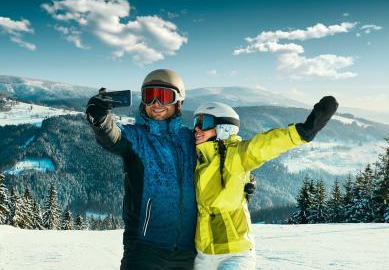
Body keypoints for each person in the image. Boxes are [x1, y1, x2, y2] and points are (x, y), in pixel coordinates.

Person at [192, 96, 338, 269]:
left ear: (224, 127)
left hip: (234, 253)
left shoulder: (237, 155)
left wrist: (301, 132)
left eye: (204, 122)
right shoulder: (195, 158)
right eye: (196, 121)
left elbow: (264, 145)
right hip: (202, 255)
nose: (197, 128)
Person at [85, 69, 197, 270]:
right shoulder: (135, 137)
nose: (156, 103)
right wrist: (100, 119)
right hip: (144, 249)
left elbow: (218, 165)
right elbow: (113, 137)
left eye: (163, 96)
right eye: (149, 96)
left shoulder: (191, 140)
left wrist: (243, 182)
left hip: (188, 252)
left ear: (179, 101)